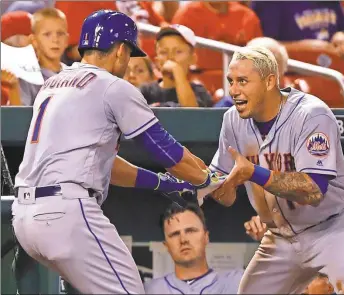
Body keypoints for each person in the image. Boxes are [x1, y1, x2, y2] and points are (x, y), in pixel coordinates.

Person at [12, 10, 222, 294]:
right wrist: (206, 181)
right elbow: (166, 151)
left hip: (25, 218)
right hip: (66, 213)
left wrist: (160, 182)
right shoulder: (111, 86)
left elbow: (106, 165)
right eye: (128, 54)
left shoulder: (52, 86)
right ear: (121, 50)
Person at [209, 46, 344, 294]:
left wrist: (255, 173)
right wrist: (196, 184)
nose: (233, 90)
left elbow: (313, 189)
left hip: (333, 228)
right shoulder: (232, 121)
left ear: (270, 81)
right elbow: (218, 179)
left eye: (243, 81)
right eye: (231, 81)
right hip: (281, 237)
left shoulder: (311, 114)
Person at [144, 203, 244, 294]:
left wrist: (260, 239)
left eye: (190, 231)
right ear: (166, 245)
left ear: (206, 237)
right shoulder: (149, 290)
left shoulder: (238, 282)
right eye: (175, 234)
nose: (183, 240)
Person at [250, 1, 344, 61]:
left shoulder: (331, 2)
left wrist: (342, 36)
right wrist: (310, 49)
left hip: (334, 72)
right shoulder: (270, 3)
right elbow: (262, 49)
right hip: (294, 75)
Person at [140, 24, 212, 107]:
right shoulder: (145, 92)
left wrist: (177, 71)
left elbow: (192, 115)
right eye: (164, 52)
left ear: (192, 59)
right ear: (157, 61)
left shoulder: (199, 92)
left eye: (178, 51)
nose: (170, 57)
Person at [18, 7, 69, 106]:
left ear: (67, 40)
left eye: (60, 33)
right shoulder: (28, 78)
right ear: (34, 41)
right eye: (47, 34)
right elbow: (19, 117)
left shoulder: (76, 75)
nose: (55, 40)